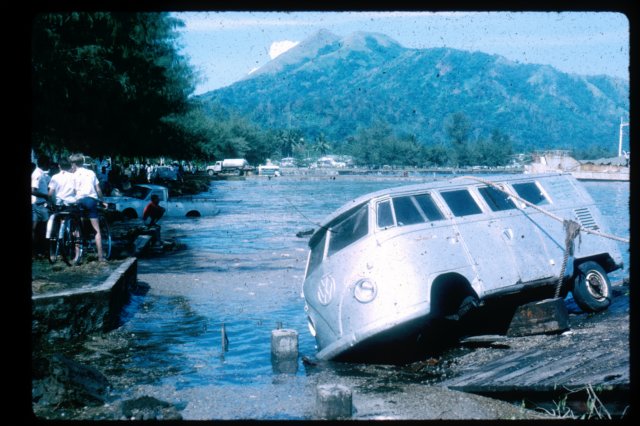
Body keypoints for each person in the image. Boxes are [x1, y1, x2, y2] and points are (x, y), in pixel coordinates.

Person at [69, 153, 107, 262]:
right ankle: (101, 256)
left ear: (74, 164)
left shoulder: (72, 175)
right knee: (96, 230)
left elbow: (73, 191)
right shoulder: (91, 173)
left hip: (79, 201)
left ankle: (77, 256)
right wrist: (103, 201)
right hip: (91, 200)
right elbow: (98, 189)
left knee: (78, 229)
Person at [31, 156, 51, 256]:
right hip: (39, 204)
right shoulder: (37, 174)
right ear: (45, 164)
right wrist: (46, 196)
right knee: (43, 228)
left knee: (38, 228)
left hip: (40, 204)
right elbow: (33, 190)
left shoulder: (41, 173)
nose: (49, 165)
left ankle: (38, 250)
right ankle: (40, 250)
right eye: (48, 163)